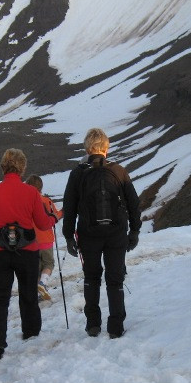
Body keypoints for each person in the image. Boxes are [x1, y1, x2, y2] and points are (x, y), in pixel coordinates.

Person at [62, 128, 141, 338]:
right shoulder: (119, 171)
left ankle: (93, 325)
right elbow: (134, 203)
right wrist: (134, 231)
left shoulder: (78, 173)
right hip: (116, 233)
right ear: (106, 147)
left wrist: (69, 236)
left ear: (87, 148)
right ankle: (116, 327)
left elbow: (69, 207)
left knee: (92, 278)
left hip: (88, 234)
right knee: (115, 279)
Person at [0, 149, 57, 360]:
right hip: (27, 251)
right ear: (22, 168)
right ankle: (31, 333)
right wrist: (52, 220)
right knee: (28, 293)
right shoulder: (31, 193)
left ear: (3, 166)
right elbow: (42, 223)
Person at [24, 174, 63, 301]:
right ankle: (43, 283)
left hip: (30, 241)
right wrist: (63, 211)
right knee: (48, 263)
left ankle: (37, 291)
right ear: (40, 187)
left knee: (36, 266)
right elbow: (55, 216)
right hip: (46, 239)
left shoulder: (25, 202)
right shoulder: (46, 201)